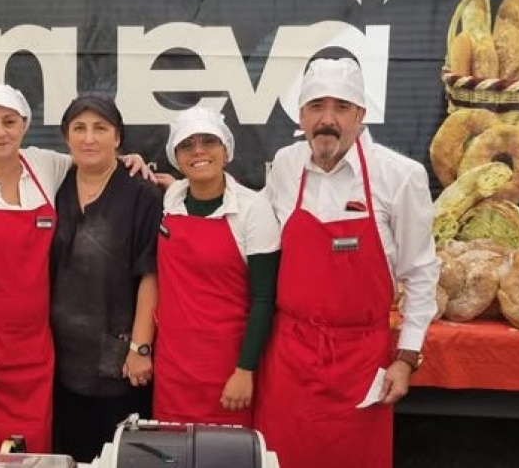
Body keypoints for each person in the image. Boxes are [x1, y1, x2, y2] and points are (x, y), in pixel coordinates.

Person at [0, 85, 150, 454]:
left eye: (9, 122)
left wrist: (136, 162)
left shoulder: (46, 165)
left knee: (36, 448)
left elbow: (96, 159)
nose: (1, 132)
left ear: (24, 126)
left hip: (37, 349)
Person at [256, 58, 440, 468]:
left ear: (361, 115)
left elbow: (422, 272)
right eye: (317, 106)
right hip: (288, 357)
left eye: (341, 107)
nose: (328, 119)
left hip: (361, 362)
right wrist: (183, 186)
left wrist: (406, 358)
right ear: (301, 116)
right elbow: (254, 230)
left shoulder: (400, 176)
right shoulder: (285, 165)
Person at [50, 93, 162, 462]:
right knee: (74, 454)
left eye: (101, 128)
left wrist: (140, 348)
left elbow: (151, 275)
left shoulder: (141, 193)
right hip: (62, 360)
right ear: (66, 138)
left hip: (122, 361)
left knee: (119, 457)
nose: (89, 138)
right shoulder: (54, 187)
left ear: (118, 137)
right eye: (79, 128)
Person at [153, 107, 280, 427]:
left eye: (208, 141)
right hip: (172, 370)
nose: (198, 151)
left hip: (227, 369)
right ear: (176, 157)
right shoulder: (170, 201)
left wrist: (244, 370)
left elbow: (264, 299)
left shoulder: (254, 210)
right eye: (187, 145)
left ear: (226, 151)